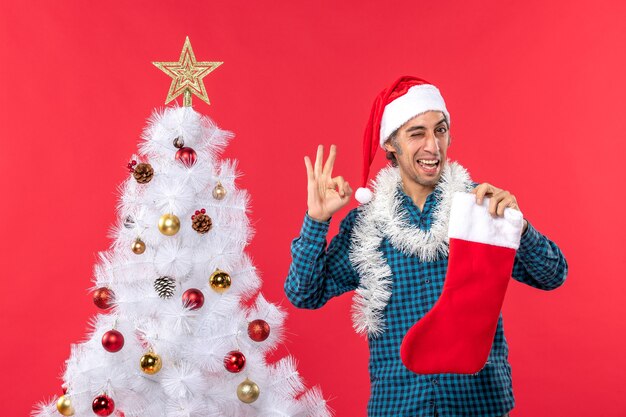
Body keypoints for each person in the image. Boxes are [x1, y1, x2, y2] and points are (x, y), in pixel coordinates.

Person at [283, 76, 568, 417]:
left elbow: (553, 274)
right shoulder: (368, 223)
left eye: (440, 130)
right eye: (417, 133)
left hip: (479, 406)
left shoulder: (479, 206)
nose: (433, 146)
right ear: (391, 143)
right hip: (399, 405)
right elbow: (304, 293)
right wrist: (317, 221)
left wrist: (516, 225)